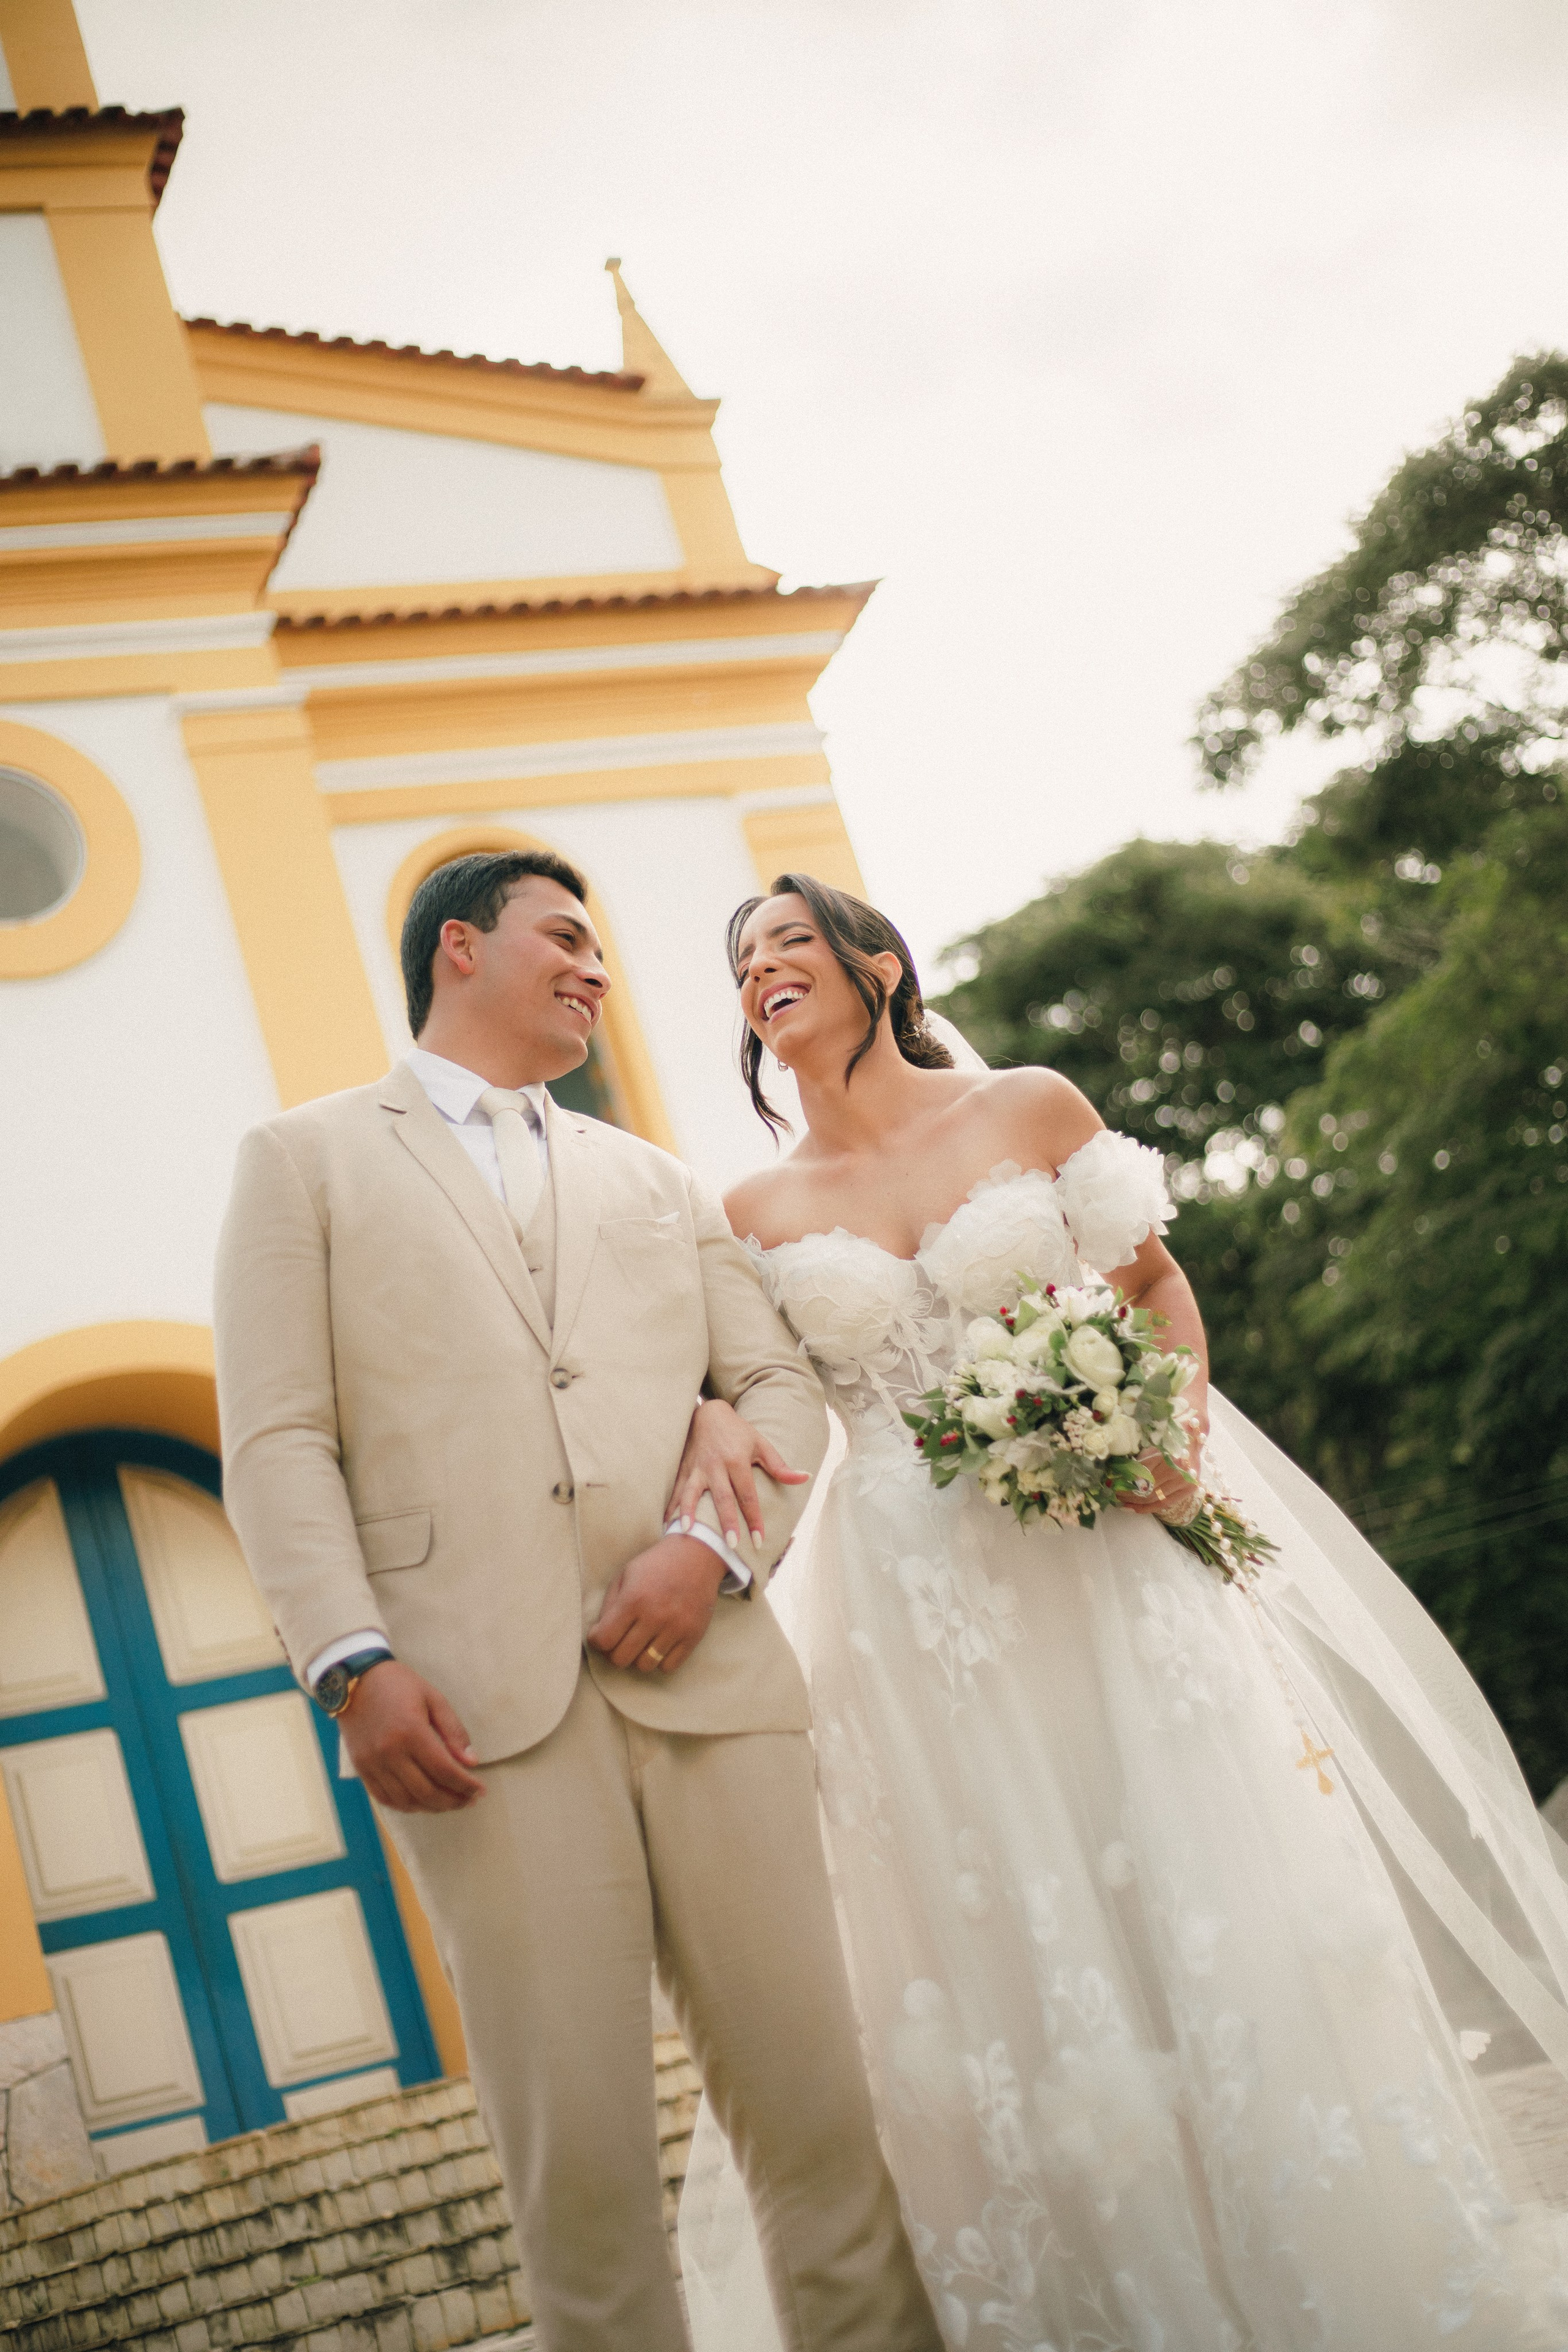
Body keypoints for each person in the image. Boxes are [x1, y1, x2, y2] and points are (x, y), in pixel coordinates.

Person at [673, 871, 1568, 2351]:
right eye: (742, 964)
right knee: (1005, 1933)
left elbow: (1151, 1285)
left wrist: (1163, 1439)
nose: (762, 972)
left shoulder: (1022, 1108)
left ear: (875, 964)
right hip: (908, 1602)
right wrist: (706, 1432)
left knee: (1197, 1884)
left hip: (1099, 1549)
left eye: (787, 945)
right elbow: (749, 1395)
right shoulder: (750, 1213)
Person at [213, 850, 941, 2352]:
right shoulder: (305, 1161)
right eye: (565, 939)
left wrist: (714, 1551)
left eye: (601, 947)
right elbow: (279, 1437)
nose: (596, 968)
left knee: (824, 2131)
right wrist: (351, 1664)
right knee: (583, 2182)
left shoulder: (657, 1179)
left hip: (716, 1694)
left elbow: (777, 1392)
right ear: (460, 950)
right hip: (472, 1718)